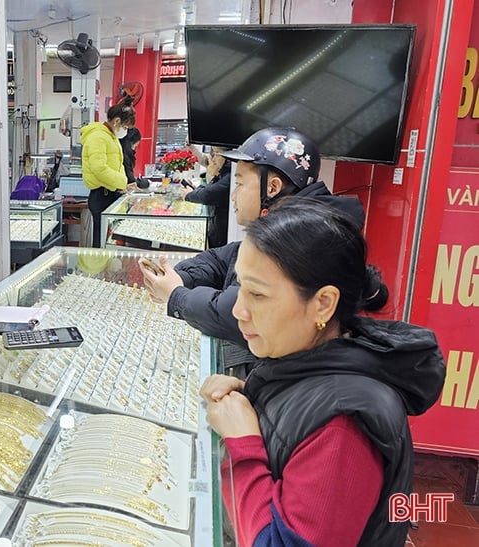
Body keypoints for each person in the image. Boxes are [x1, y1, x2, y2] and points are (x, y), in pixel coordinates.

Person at [201, 198, 445, 546]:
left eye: (257, 294)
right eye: (241, 286)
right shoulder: (303, 360)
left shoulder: (344, 428)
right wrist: (248, 399)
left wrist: (243, 443)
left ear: (323, 303)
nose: (239, 309)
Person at [140, 127, 365, 375]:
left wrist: (176, 295)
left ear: (272, 187)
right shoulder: (287, 224)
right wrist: (183, 276)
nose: (233, 195)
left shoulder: (305, 236)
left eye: (239, 184)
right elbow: (223, 258)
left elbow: (233, 314)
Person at [81, 99, 137, 247]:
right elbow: (99, 169)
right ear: (117, 121)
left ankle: (108, 269)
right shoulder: (98, 137)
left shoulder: (110, 137)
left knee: (110, 241)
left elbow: (116, 165)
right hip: (102, 196)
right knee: (102, 243)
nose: (125, 130)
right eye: (125, 126)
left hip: (111, 193)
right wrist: (122, 182)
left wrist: (122, 184)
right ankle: (99, 270)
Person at [180, 145, 231, 248]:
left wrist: (189, 195)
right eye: (214, 154)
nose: (213, 159)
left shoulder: (230, 174)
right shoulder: (223, 173)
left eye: (217, 154)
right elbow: (210, 188)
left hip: (222, 234)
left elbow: (210, 193)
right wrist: (196, 189)